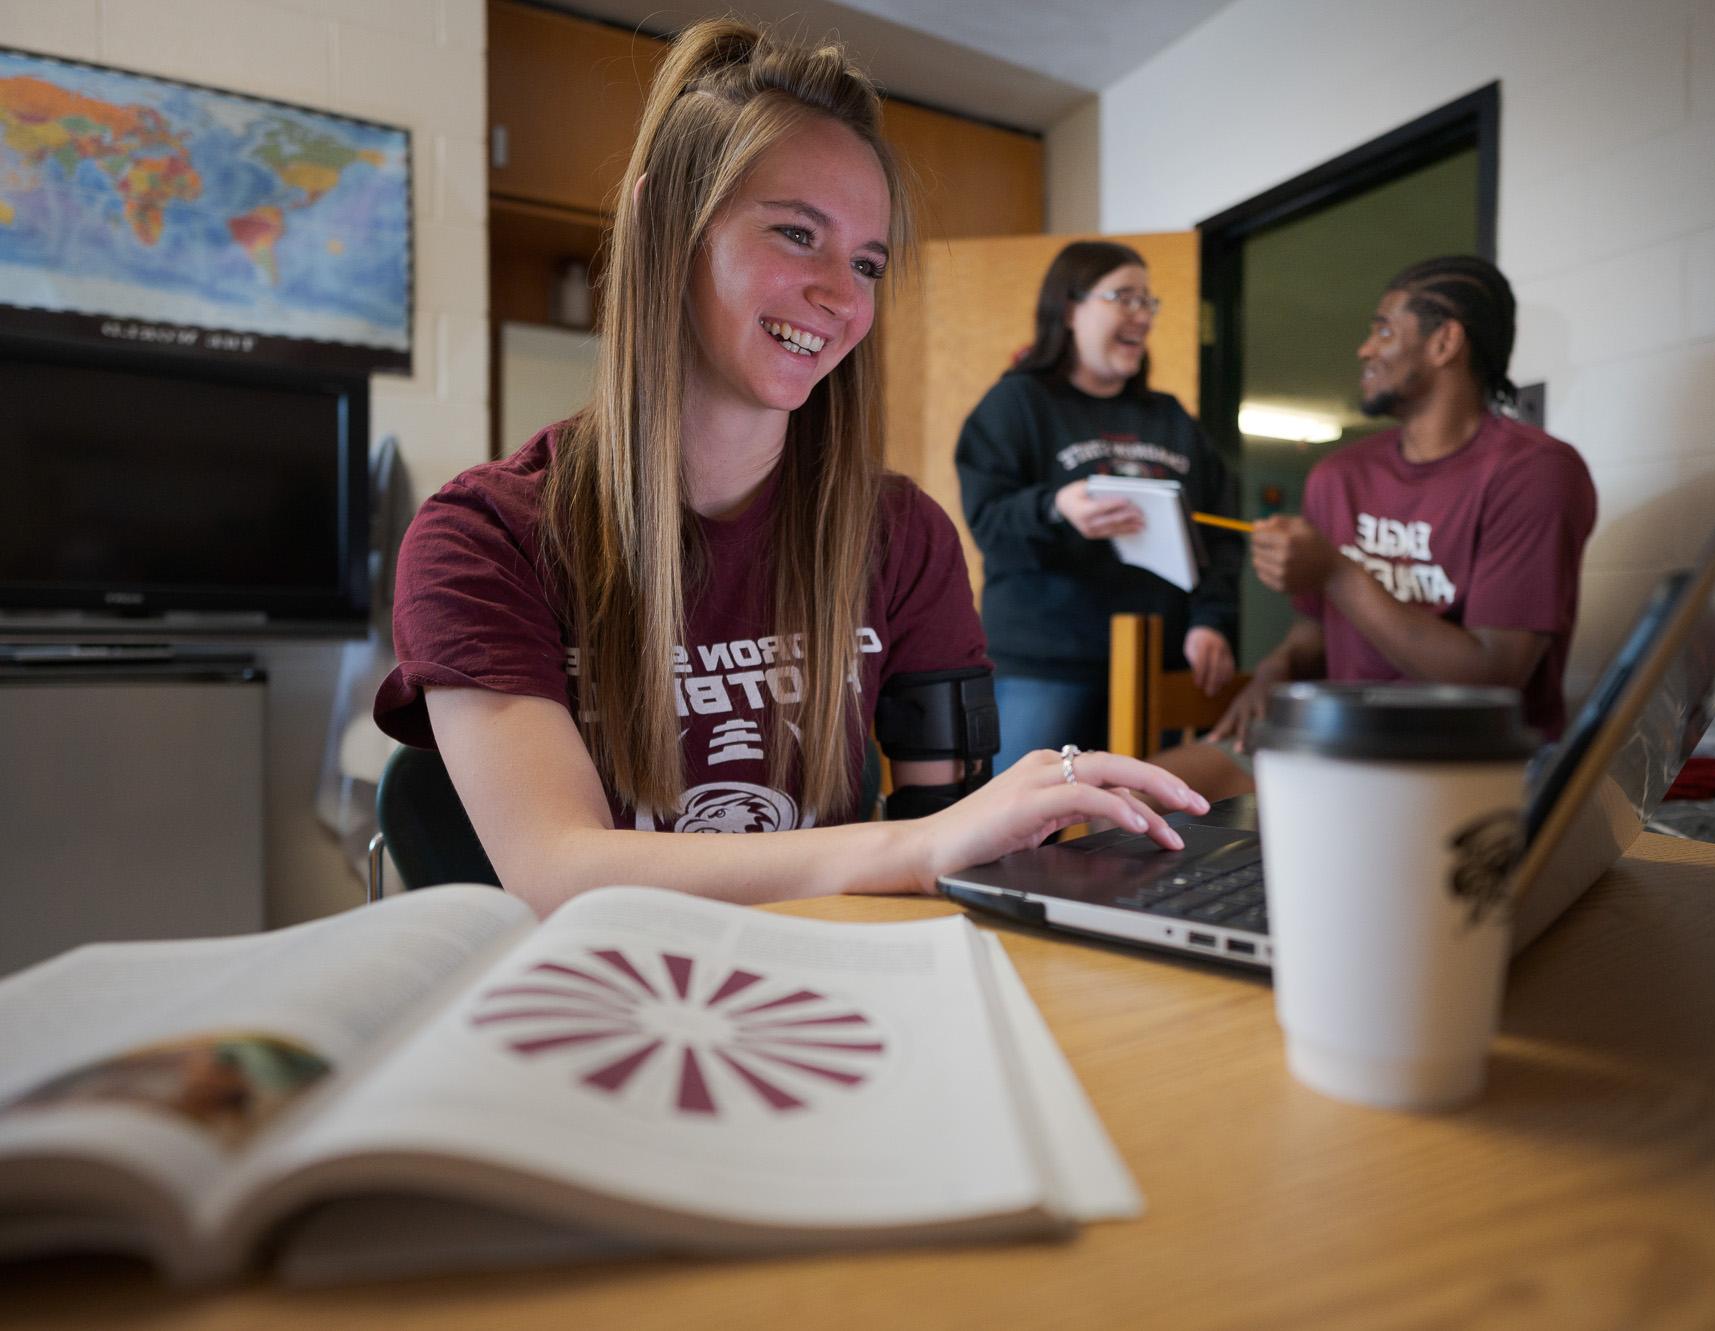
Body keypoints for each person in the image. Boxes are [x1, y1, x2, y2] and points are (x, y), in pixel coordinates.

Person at [372, 22, 1207, 916]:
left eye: (867, 262)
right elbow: (558, 870)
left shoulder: (903, 536)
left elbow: (951, 850)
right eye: (797, 234)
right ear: (665, 222)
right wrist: (917, 845)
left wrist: (1017, 830)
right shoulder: (484, 538)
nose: (845, 298)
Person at [1163, 255, 1597, 801]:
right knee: (1124, 801)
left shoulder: (1536, 472)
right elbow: (1315, 632)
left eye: (1383, 329)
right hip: (1336, 742)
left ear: (1444, 344)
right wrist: (1277, 669)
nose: (1364, 350)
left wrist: (1339, 573)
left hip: (1469, 760)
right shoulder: (1339, 475)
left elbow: (1490, 676)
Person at [955, 241, 1241, 774]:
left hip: (1158, 668)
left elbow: (1219, 536)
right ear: (1069, 308)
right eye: (1124, 297)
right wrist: (1055, 506)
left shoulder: (1171, 418)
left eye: (1148, 303)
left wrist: (1213, 621)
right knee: (1021, 836)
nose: (1142, 316)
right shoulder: (1016, 404)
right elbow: (988, 520)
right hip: (1046, 666)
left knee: (1146, 834)